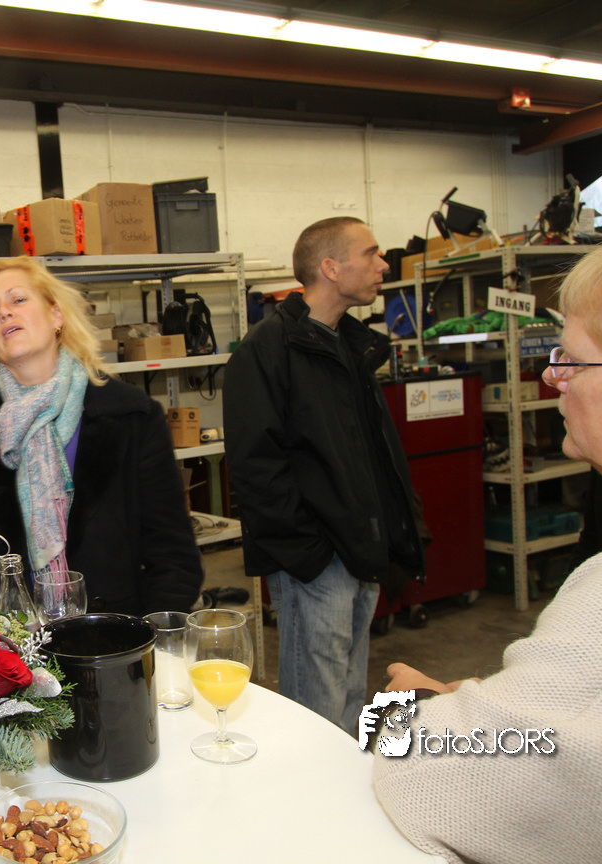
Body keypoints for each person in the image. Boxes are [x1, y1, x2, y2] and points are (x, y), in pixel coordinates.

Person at [372, 216, 602, 864]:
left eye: (572, 360)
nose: (553, 379)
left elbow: (436, 788)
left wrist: (408, 708)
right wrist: (500, 707)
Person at [0, 256, 202, 616]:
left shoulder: (130, 415)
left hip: (106, 635)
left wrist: (151, 637)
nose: (4, 313)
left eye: (18, 299)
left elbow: (173, 555)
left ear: (56, 315)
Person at [222, 216, 425, 731]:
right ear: (331, 268)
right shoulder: (267, 350)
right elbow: (254, 467)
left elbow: (370, 452)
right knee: (317, 708)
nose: (384, 265)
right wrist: (309, 555)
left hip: (361, 548)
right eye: (371, 253)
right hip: (317, 559)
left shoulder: (350, 345)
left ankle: (346, 781)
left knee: (351, 695)